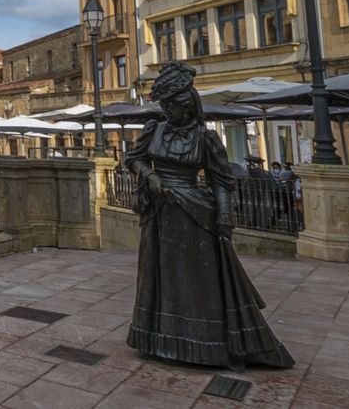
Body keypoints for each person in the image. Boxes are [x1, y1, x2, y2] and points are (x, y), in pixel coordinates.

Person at [125, 62, 293, 369]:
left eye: (170, 107)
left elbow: (221, 180)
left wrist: (225, 214)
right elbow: (133, 159)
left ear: (186, 107)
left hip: (194, 212)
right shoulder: (155, 130)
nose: (166, 112)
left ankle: (208, 343)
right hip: (160, 212)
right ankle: (158, 337)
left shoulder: (205, 138)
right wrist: (152, 179)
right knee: (159, 276)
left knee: (198, 281)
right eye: (163, 106)